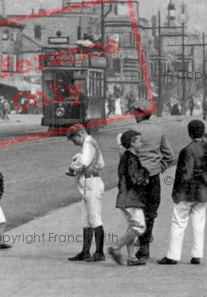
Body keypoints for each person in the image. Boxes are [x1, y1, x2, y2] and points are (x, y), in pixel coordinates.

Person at [119, 108, 174, 261]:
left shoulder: (132, 131)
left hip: (136, 179)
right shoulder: (159, 129)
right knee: (150, 213)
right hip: (153, 177)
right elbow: (169, 155)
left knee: (137, 213)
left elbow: (123, 154)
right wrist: (159, 168)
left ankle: (127, 248)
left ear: (138, 114)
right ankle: (144, 248)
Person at [158, 120, 207, 266]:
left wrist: (177, 193)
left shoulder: (187, 150)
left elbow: (186, 173)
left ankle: (173, 256)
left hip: (187, 192)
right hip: (202, 191)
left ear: (189, 133)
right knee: (199, 223)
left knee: (178, 223)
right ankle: (197, 255)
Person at [108, 130, 150, 266]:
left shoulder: (127, 156)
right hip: (131, 197)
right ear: (131, 143)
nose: (141, 143)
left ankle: (132, 257)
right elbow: (135, 178)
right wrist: (145, 174)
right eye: (139, 141)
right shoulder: (131, 158)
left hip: (125, 197)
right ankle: (115, 247)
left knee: (131, 226)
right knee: (139, 227)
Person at [65, 124, 106, 262]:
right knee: (86, 219)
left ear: (80, 134)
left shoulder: (88, 143)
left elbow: (83, 162)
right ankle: (85, 252)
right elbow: (98, 163)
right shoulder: (89, 144)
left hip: (92, 182)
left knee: (94, 218)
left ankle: (99, 253)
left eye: (73, 139)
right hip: (88, 181)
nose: (73, 143)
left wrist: (72, 168)